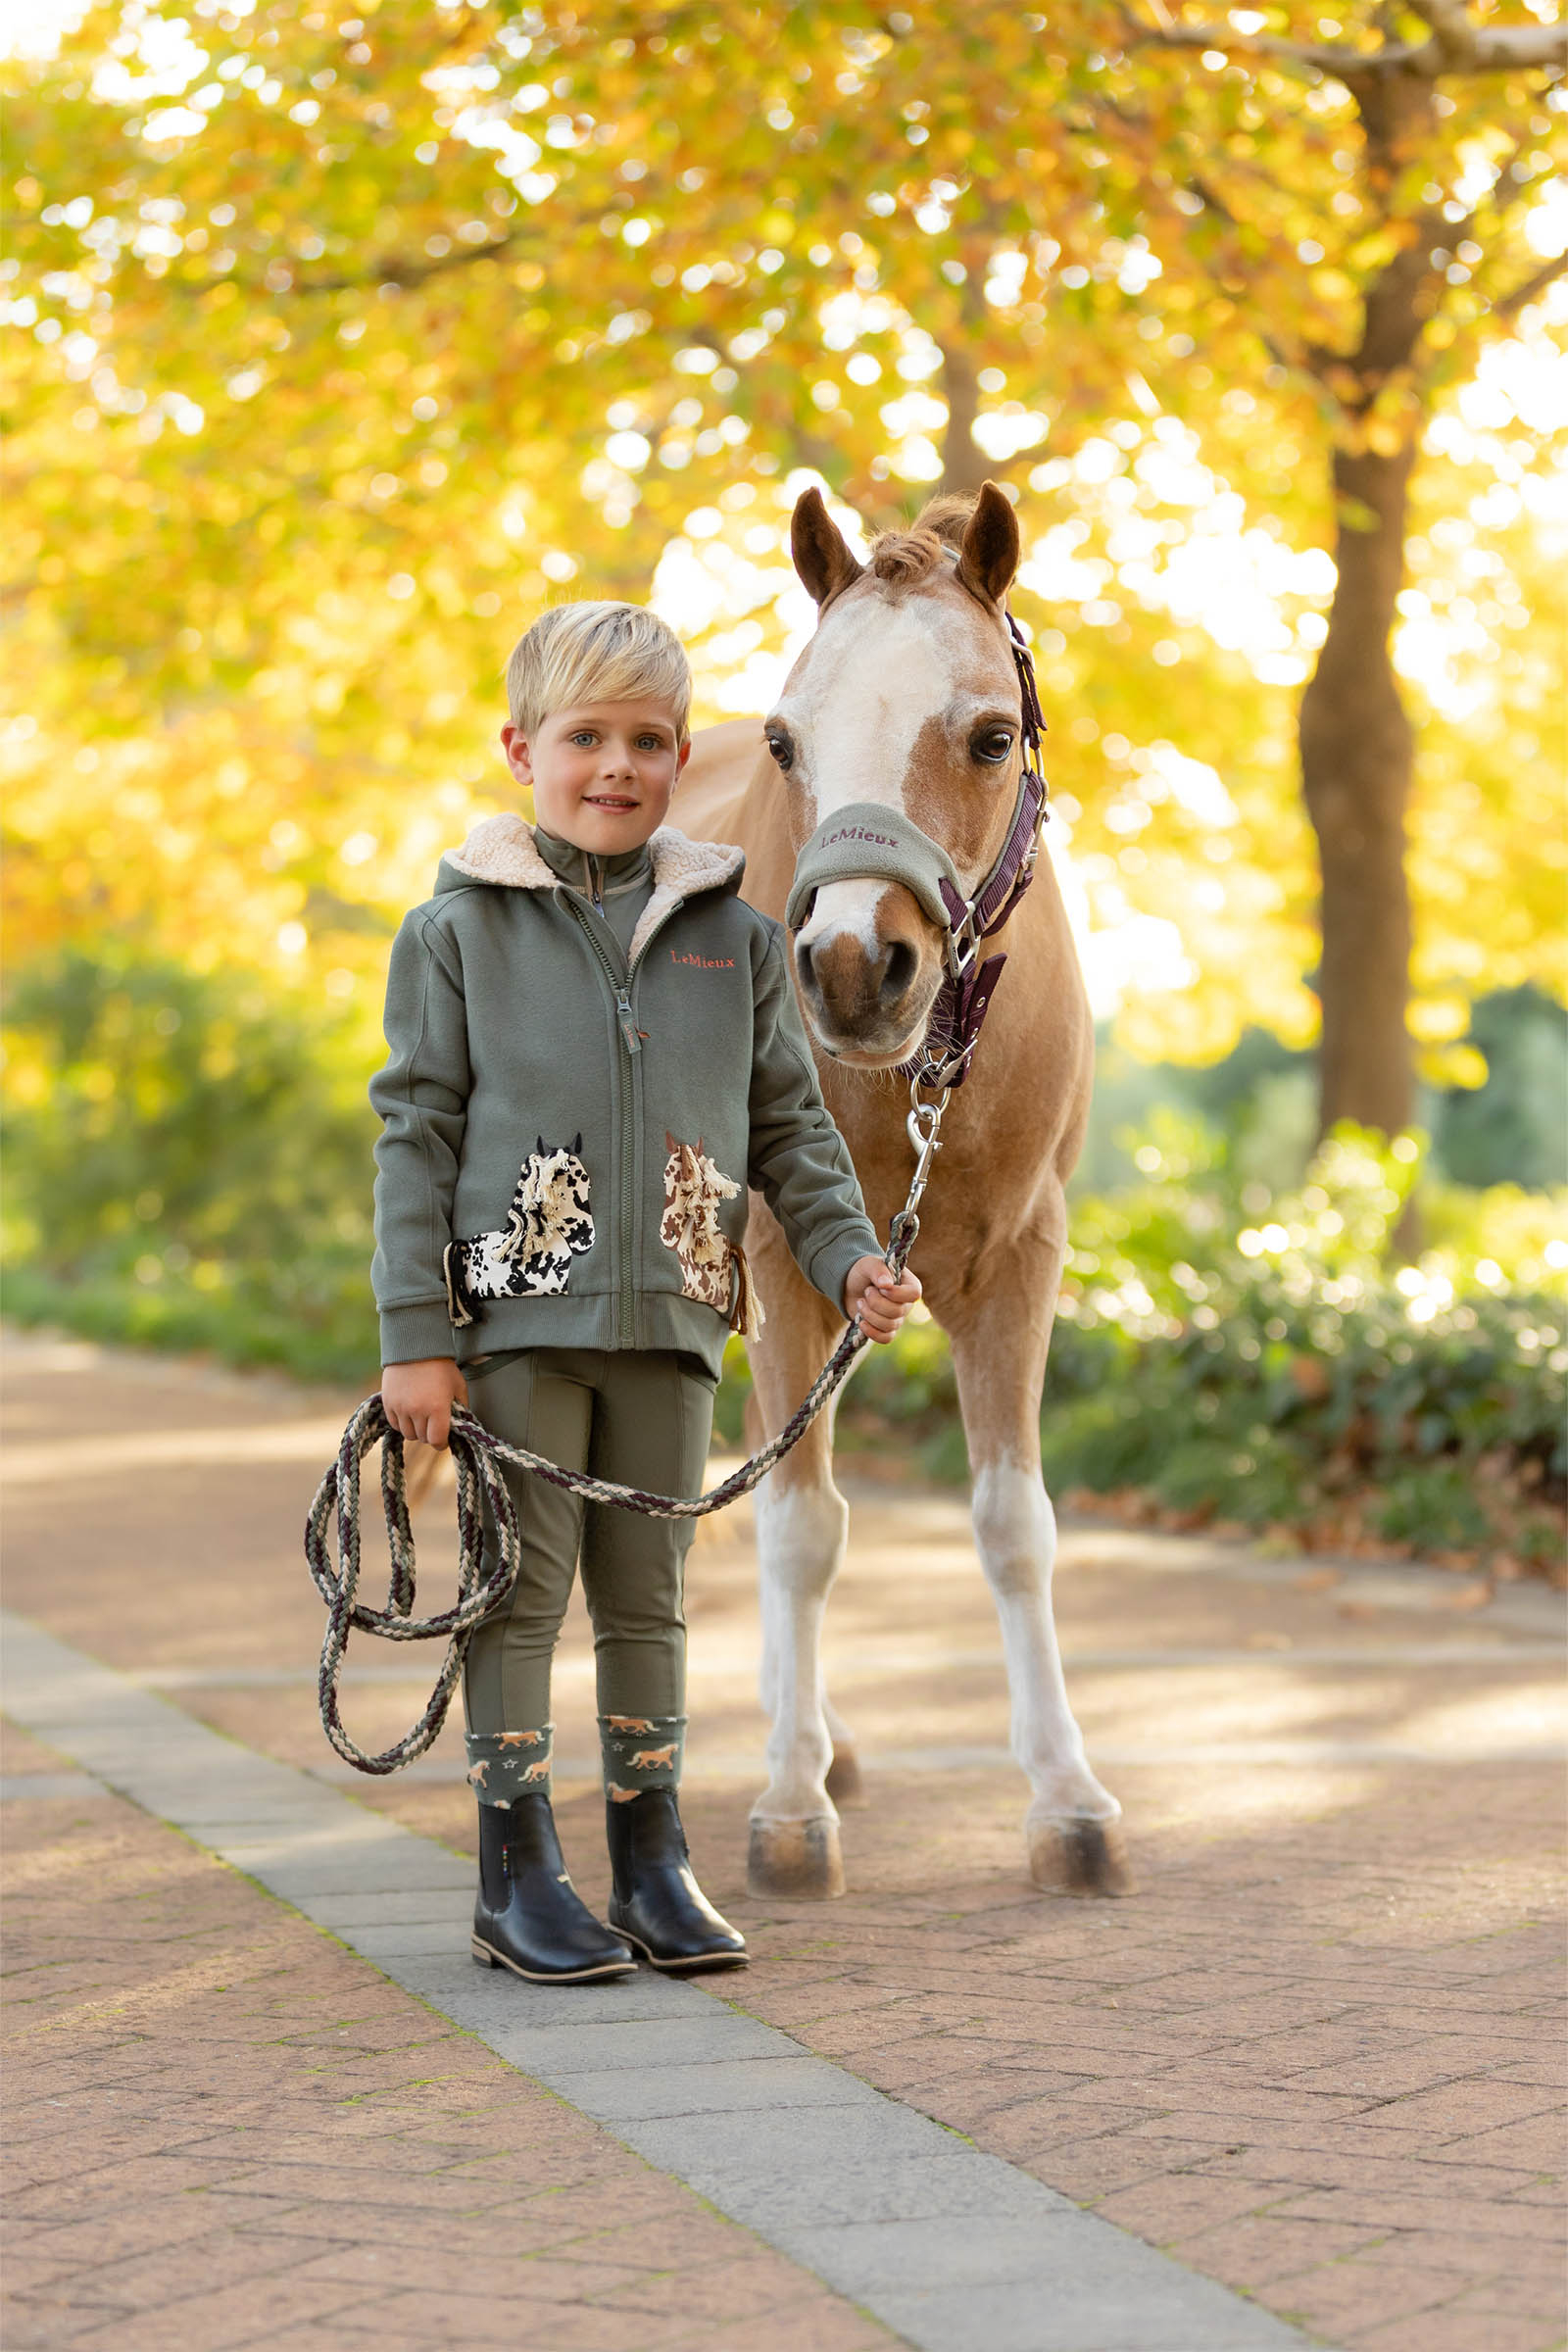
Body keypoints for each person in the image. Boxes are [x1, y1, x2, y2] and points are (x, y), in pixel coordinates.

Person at [370, 601, 921, 1984]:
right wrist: (416, 1340)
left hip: (676, 1322)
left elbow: (792, 1132)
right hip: (519, 1324)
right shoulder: (456, 932)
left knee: (648, 1598)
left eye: (649, 741)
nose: (616, 766)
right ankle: (515, 1874)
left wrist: (850, 1255)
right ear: (522, 750)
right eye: (586, 738)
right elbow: (415, 1140)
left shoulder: (736, 940)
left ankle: (653, 1859)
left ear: (684, 756)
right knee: (518, 1595)